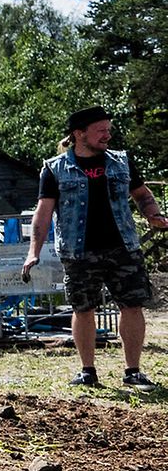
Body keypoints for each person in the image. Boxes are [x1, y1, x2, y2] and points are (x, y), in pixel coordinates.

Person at [23, 106, 168, 389]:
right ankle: (87, 371)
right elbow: (43, 212)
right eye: (101, 130)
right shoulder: (55, 168)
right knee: (83, 308)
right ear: (79, 134)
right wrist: (33, 251)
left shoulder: (121, 162)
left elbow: (141, 193)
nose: (107, 136)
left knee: (132, 306)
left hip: (123, 247)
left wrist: (153, 214)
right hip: (79, 251)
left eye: (108, 130)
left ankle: (133, 372)